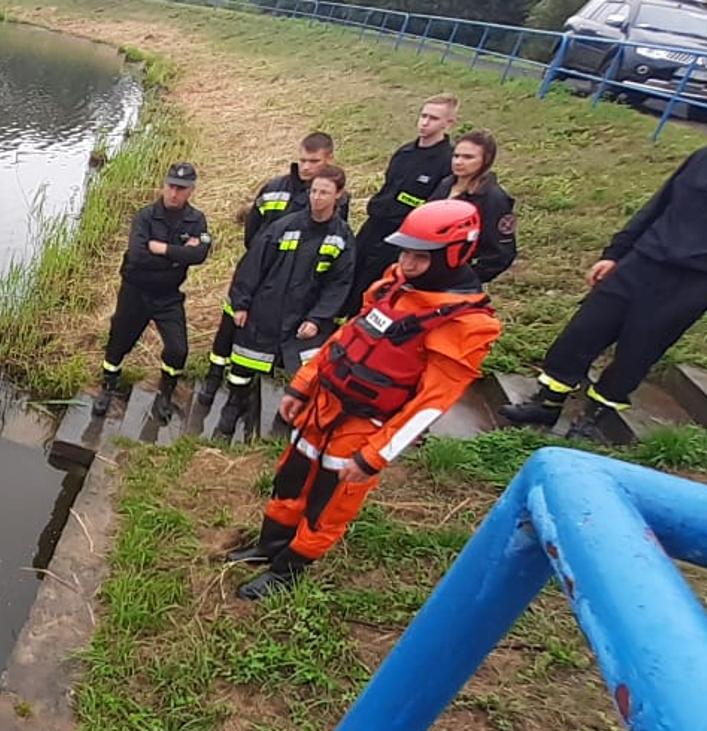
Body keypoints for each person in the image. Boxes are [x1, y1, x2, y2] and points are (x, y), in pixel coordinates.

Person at [498, 77, 707, 440]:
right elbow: (656, 208)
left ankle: (594, 419)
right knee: (582, 333)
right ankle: (546, 403)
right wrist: (616, 254)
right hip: (642, 263)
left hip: (693, 282)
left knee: (637, 353)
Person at [227, 200, 501, 600]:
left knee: (328, 500)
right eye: (405, 252)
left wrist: (374, 456)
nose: (407, 262)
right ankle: (270, 545)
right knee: (292, 475)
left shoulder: (464, 324)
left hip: (365, 424)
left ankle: (288, 571)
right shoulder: (393, 285)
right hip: (323, 404)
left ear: (453, 255)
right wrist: (302, 385)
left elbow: (430, 403)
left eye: (420, 256)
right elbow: (347, 337)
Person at [201, 132, 350, 405]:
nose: (306, 167)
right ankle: (213, 376)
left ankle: (250, 393)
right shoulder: (275, 188)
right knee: (229, 328)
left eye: (313, 161)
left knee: (265, 344)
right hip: (258, 271)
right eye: (302, 160)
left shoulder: (335, 199)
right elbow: (253, 231)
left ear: (328, 160)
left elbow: (334, 251)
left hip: (296, 286)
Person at [212, 165, 357, 442]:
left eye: (324, 193)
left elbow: (339, 284)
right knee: (243, 365)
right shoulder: (285, 227)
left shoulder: (341, 238)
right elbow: (253, 265)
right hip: (266, 309)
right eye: (314, 191)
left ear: (338, 195)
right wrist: (241, 303)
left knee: (308, 372)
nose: (316, 197)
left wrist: (317, 319)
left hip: (304, 319)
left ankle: (289, 419)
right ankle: (232, 408)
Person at [93, 162, 214, 424]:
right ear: (163, 185)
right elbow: (138, 256)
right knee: (118, 342)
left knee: (178, 349)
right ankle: (108, 387)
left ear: (191, 191)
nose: (174, 193)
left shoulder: (196, 220)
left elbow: (200, 254)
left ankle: (165, 394)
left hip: (168, 296)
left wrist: (162, 249)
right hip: (135, 292)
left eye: (181, 189)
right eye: (171, 186)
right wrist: (178, 257)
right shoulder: (145, 217)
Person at [343, 94, 459, 320]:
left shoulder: (447, 162)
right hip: (374, 226)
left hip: (402, 237)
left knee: (378, 287)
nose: (425, 122)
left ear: (449, 123)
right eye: (423, 116)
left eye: (433, 118)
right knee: (352, 275)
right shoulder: (405, 152)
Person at [430, 129, 518, 282]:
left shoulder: (493, 198)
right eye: (456, 156)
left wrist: (467, 279)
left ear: (486, 160)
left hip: (456, 277)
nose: (458, 162)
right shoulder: (445, 184)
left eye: (468, 157)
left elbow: (501, 253)